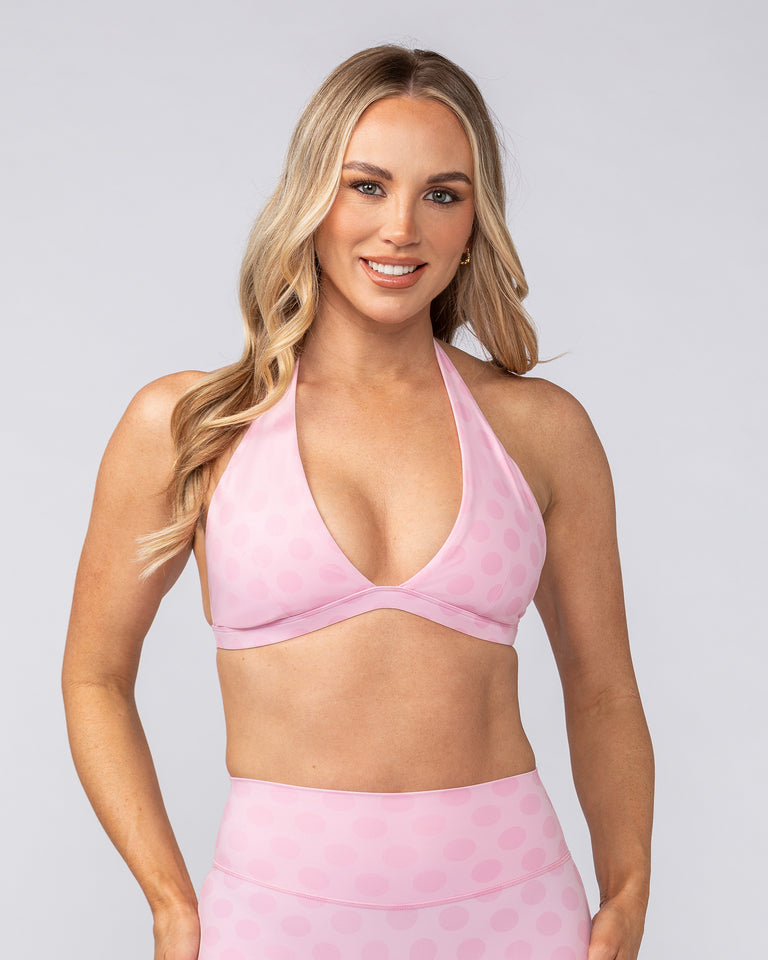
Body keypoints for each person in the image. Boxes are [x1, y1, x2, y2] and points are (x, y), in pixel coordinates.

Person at [63, 45, 654, 960]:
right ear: (313, 199)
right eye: (367, 187)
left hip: (516, 909)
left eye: (442, 194)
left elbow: (603, 686)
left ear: (475, 223)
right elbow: (95, 677)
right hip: (276, 916)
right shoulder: (190, 426)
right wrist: (171, 903)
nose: (401, 229)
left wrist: (628, 888)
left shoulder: (542, 430)